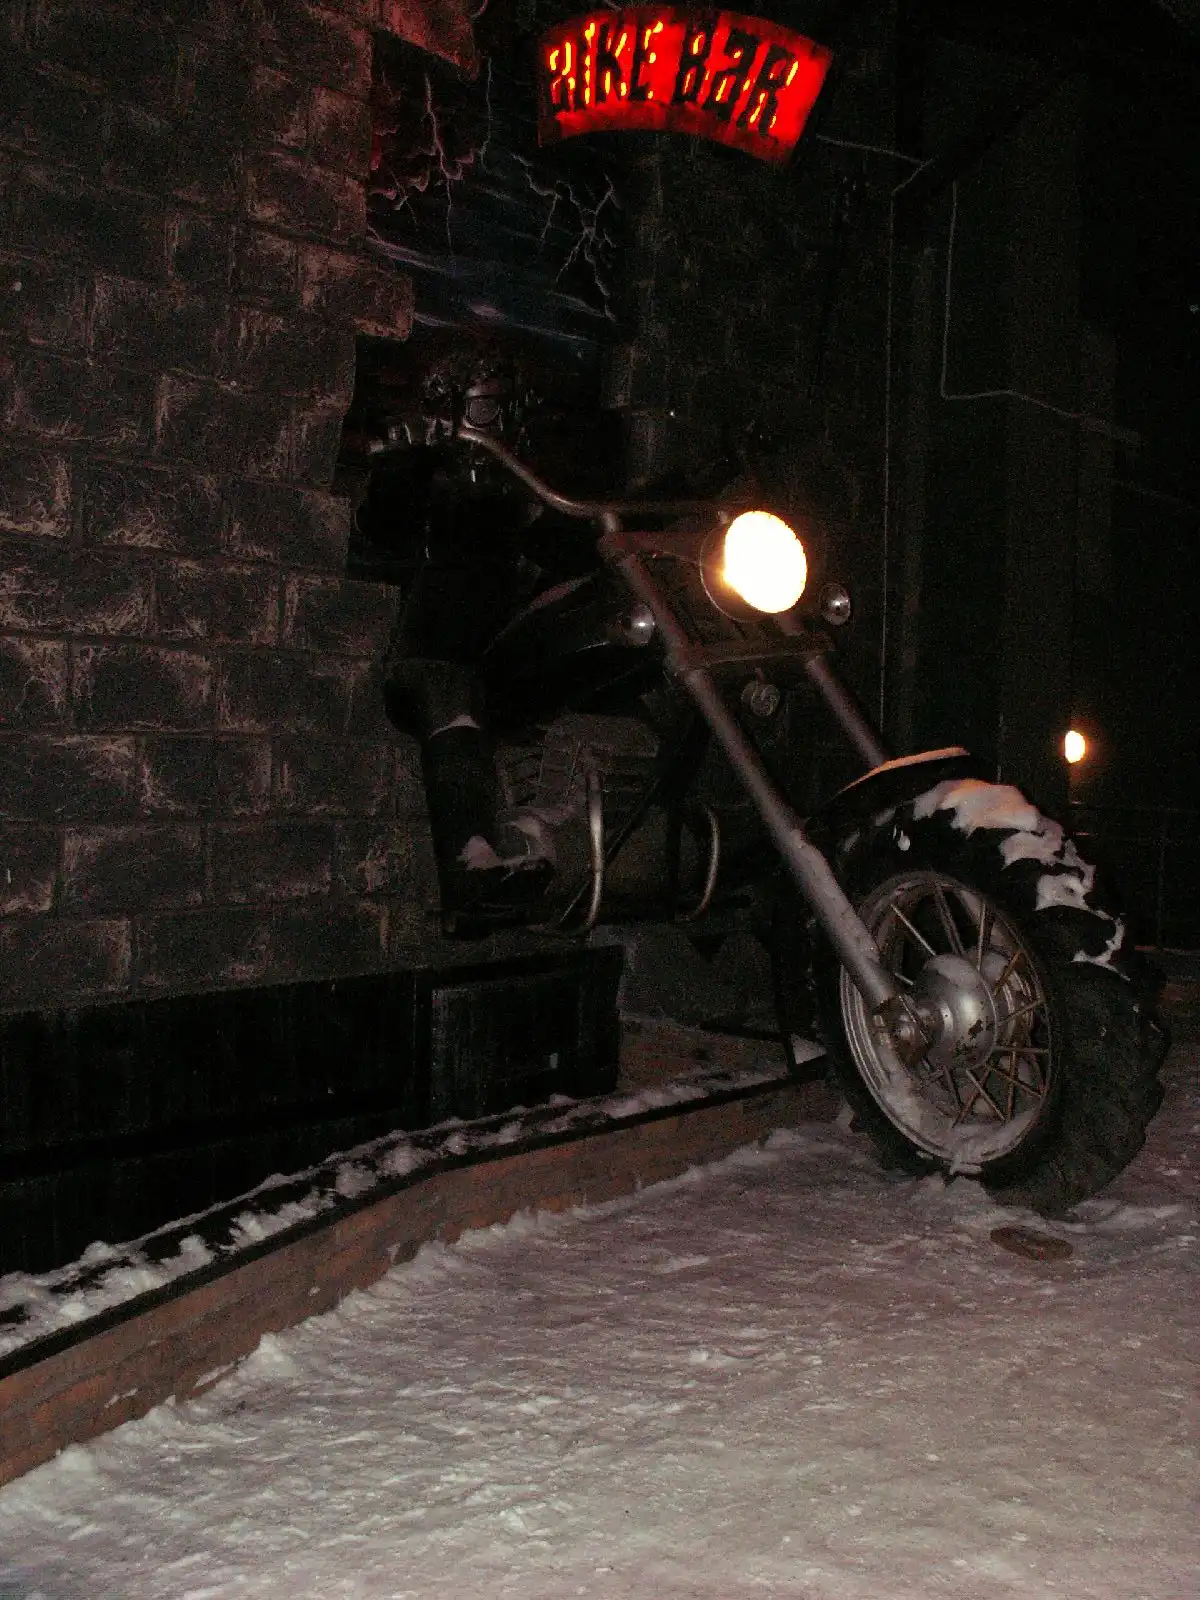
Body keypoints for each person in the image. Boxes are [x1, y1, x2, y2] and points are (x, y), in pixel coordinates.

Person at [376, 357, 554, 930]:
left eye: (500, 411)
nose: (491, 423)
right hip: (432, 662)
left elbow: (575, 536)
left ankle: (543, 853)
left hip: (498, 662)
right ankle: (471, 871)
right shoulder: (426, 475)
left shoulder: (528, 490)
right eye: (480, 408)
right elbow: (382, 525)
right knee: (454, 690)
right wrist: (411, 458)